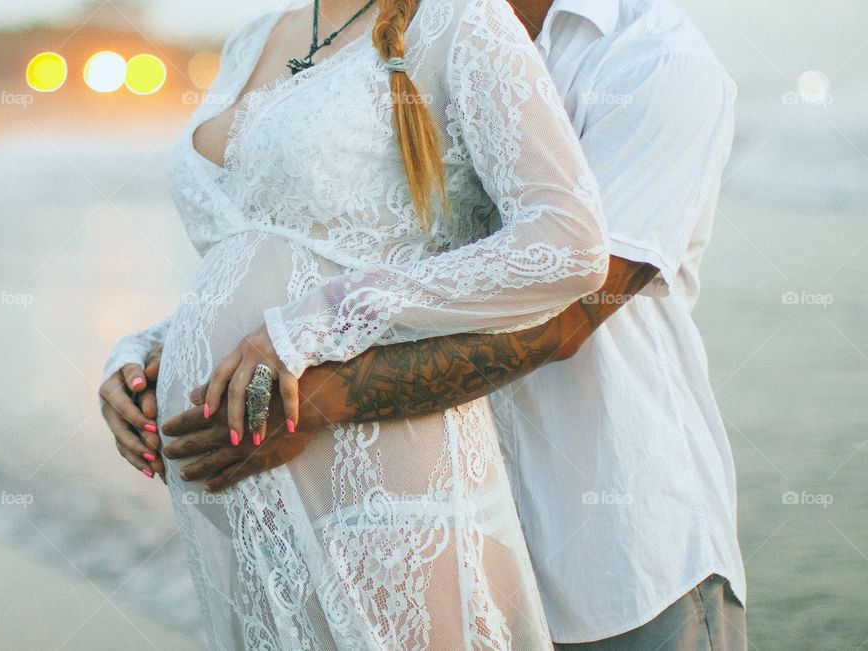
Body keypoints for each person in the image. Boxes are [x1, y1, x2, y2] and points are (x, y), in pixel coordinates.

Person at [106, 0, 748, 648]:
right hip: (419, 516)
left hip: (613, 549)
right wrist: (166, 353)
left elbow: (567, 317)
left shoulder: (657, 62)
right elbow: (349, 253)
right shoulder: (392, 32)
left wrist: (319, 397)